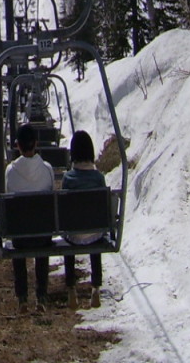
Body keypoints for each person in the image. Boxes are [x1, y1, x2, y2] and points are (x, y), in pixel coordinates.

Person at [5, 123, 54, 312]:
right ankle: (41, 294)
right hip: (43, 236)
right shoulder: (47, 169)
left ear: (17, 145)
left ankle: (22, 296)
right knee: (41, 231)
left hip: (20, 237)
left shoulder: (11, 171)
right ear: (36, 144)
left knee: (20, 227)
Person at [62, 130, 107, 308]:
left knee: (70, 239)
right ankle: (95, 287)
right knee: (95, 231)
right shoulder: (98, 178)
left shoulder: (68, 179)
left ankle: (71, 288)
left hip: (74, 234)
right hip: (95, 232)